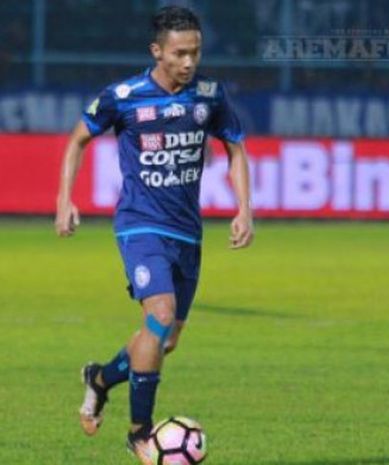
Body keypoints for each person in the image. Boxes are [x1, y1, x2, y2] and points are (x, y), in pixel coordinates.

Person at [54, 6, 253, 464]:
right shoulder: (124, 96)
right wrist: (65, 198)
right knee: (158, 313)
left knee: (163, 340)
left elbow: (235, 148)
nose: (189, 62)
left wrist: (245, 208)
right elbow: (77, 140)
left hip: (188, 231)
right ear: (157, 51)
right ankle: (140, 433)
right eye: (180, 53)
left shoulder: (209, 95)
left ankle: (99, 379)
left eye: (196, 52)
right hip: (140, 224)